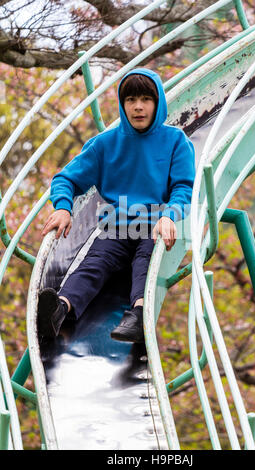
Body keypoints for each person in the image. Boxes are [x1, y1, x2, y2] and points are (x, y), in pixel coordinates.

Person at [37, 67, 195, 343]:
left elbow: (183, 187)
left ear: (157, 103)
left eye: (146, 99)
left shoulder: (175, 141)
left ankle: (138, 314)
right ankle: (61, 309)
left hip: (156, 222)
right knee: (94, 262)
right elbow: (65, 179)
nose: (138, 107)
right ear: (122, 105)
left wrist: (170, 215)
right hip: (117, 225)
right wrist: (63, 207)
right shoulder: (105, 144)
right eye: (130, 100)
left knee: (146, 258)